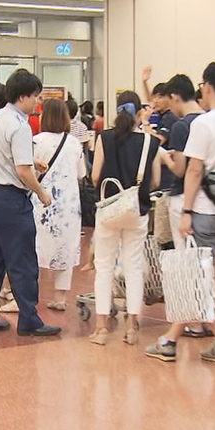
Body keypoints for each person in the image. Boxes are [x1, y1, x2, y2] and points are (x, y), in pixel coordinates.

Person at [145, 61, 215, 365]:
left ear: (208, 87)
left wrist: (187, 211)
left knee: (197, 278)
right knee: (202, 276)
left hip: (202, 208)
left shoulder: (204, 123)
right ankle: (171, 340)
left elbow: (193, 169)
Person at [0, 69, 60, 337]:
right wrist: (42, 192)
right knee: (22, 261)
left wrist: (31, 160)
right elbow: (23, 172)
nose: (37, 102)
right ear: (23, 96)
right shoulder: (20, 125)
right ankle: (29, 320)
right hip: (11, 200)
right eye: (35, 96)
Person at [89, 92, 161, 345]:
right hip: (136, 210)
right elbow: (155, 181)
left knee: (104, 267)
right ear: (139, 113)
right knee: (133, 267)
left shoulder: (104, 138)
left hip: (108, 210)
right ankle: (131, 326)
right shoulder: (150, 142)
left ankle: (101, 328)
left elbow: (95, 176)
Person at [32, 99, 86, 312]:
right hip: (68, 205)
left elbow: (29, 172)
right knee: (65, 247)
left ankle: (30, 294)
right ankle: (60, 298)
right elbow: (82, 173)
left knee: (35, 247)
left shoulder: (36, 142)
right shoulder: (74, 143)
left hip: (41, 202)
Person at [159, 74, 204, 248]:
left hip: (183, 197)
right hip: (208, 198)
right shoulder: (209, 120)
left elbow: (179, 170)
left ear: (174, 97)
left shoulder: (181, 126)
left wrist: (165, 158)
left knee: (184, 254)